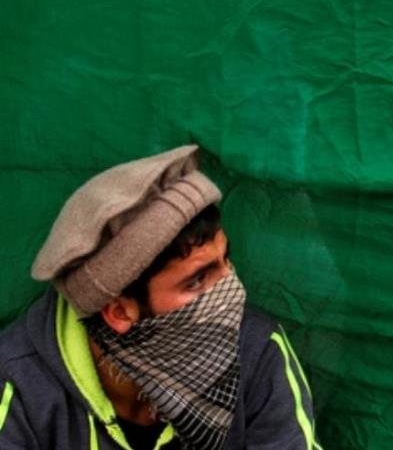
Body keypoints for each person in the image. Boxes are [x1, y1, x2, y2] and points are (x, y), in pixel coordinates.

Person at [0, 145, 322, 450]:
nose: (233, 292)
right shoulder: (18, 386)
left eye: (226, 260)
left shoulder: (257, 352)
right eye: (197, 280)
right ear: (119, 312)